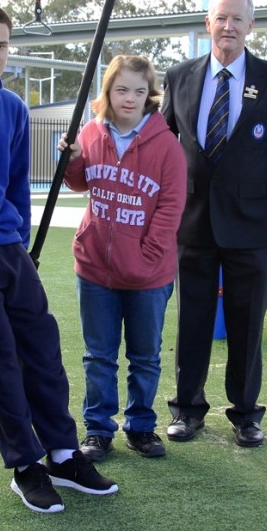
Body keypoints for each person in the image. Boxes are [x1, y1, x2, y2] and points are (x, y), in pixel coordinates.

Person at [0, 2, 118, 514]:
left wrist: (21, 239)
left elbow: (17, 183)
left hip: (7, 247)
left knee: (42, 347)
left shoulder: (15, 108)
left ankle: (64, 453)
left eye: (0, 45)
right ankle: (26, 465)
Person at [162, 0, 267, 448]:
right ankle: (187, 409)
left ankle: (245, 414)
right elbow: (160, 144)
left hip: (254, 226)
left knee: (247, 324)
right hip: (192, 223)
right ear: (208, 23)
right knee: (193, 320)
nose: (228, 27)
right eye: (220, 18)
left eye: (237, 19)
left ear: (251, 26)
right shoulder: (179, 76)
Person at [59, 54, 186, 461]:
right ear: (108, 93)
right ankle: (98, 429)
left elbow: (170, 208)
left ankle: (142, 426)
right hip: (95, 268)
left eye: (138, 91)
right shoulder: (93, 132)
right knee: (99, 355)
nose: (129, 98)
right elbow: (80, 182)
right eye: (121, 90)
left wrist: (147, 256)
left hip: (148, 274)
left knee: (145, 355)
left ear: (150, 95)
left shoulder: (166, 144)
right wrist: (73, 158)